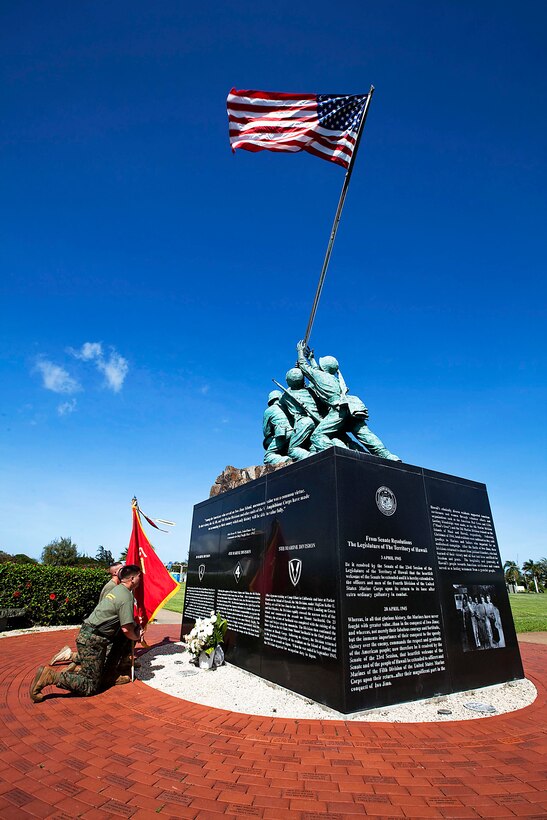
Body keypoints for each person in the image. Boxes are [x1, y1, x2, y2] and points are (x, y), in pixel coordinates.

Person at [30, 564, 143, 703]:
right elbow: (127, 629)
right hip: (92, 640)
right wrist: (137, 636)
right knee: (89, 685)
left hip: (92, 636)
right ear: (132, 578)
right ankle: (50, 676)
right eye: (139, 576)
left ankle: (107, 676)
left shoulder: (119, 589)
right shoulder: (126, 596)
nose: (141, 579)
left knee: (105, 663)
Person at [296, 341, 400, 460]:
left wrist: (300, 352)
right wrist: (312, 360)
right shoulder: (334, 379)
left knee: (317, 435)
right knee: (364, 433)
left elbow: (304, 367)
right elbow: (316, 371)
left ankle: (339, 457)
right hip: (350, 408)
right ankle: (388, 456)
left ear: (323, 368)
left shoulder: (320, 377)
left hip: (338, 411)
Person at [49, 560, 125, 666]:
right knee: (102, 656)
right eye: (122, 569)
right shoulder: (111, 587)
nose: (125, 571)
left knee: (104, 655)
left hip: (105, 628)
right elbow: (106, 608)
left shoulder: (115, 586)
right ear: (115, 573)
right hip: (102, 628)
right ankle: (69, 655)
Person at [280, 368, 321, 460]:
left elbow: (281, 405)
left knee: (292, 450)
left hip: (304, 422)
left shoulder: (286, 396)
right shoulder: (312, 391)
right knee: (313, 445)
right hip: (319, 422)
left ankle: (312, 458)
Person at [262, 390, 293, 464]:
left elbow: (266, 432)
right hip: (296, 431)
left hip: (282, 434)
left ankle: (285, 460)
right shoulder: (288, 406)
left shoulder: (269, 411)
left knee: (268, 456)